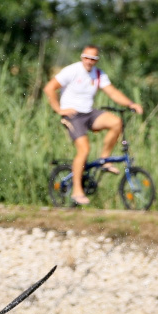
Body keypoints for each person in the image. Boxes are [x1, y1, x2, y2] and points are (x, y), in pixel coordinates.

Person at [43, 44, 144, 206]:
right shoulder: (72, 70)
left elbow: (112, 92)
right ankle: (76, 191)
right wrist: (59, 110)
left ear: (97, 60)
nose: (89, 61)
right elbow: (49, 88)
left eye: (93, 59)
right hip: (73, 115)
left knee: (116, 122)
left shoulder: (98, 74)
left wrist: (131, 104)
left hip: (89, 113)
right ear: (82, 57)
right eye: (87, 58)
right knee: (84, 149)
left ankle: (105, 159)